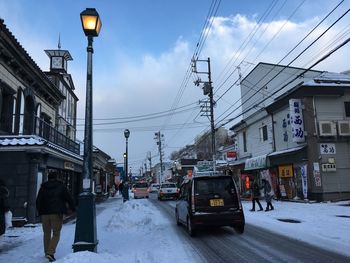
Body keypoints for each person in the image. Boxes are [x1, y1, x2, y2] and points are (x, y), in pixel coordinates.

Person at [36, 171, 75, 262]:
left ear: (48, 178)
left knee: (46, 233)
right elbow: (69, 198)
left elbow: (38, 201)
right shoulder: (61, 186)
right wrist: (72, 208)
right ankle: (50, 253)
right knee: (56, 233)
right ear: (56, 177)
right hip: (56, 214)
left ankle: (47, 253)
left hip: (45, 214)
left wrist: (40, 211)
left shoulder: (43, 187)